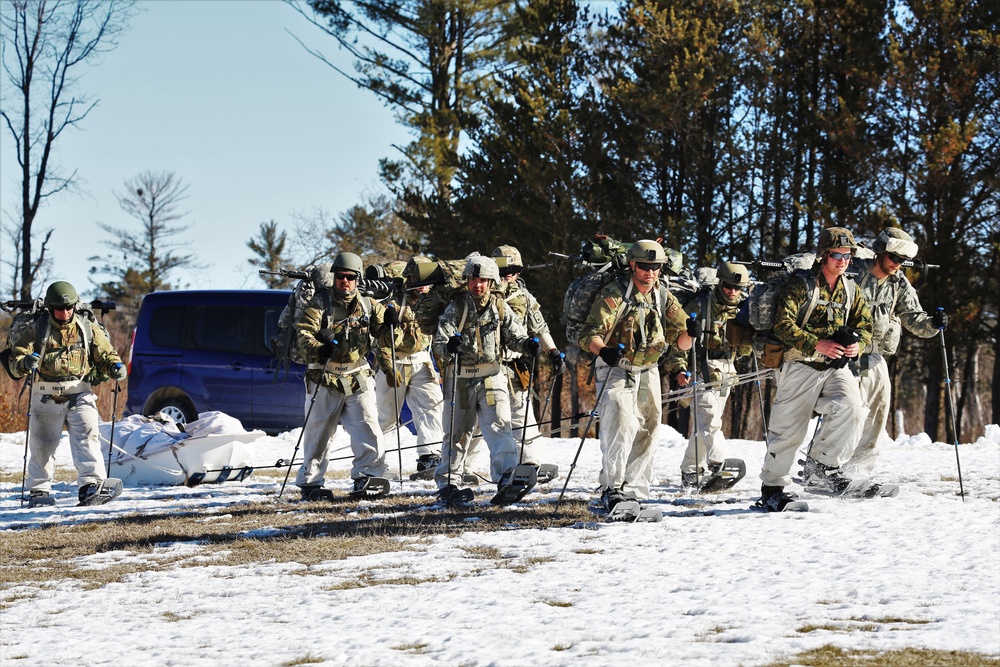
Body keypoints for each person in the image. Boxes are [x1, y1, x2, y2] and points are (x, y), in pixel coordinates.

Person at [759, 227, 874, 511]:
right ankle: (772, 488)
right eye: (836, 254)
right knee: (789, 429)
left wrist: (857, 346)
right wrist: (816, 344)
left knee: (852, 408)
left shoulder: (851, 289)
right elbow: (782, 325)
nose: (842, 261)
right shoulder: (801, 285)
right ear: (823, 255)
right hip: (800, 364)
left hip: (835, 367)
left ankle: (822, 467)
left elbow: (866, 325)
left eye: (847, 256)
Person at [579, 239, 693, 511]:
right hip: (616, 367)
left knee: (649, 427)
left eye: (655, 267)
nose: (649, 272)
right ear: (632, 264)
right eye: (643, 266)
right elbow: (588, 335)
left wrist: (693, 332)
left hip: (648, 370)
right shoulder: (615, 293)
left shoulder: (663, 295)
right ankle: (612, 488)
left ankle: (634, 489)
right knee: (620, 421)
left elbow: (681, 341)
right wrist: (604, 351)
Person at [9, 280, 127, 507]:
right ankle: (39, 491)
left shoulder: (86, 327)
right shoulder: (37, 329)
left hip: (80, 392)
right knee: (43, 444)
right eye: (59, 308)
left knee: (88, 439)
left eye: (68, 307)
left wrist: (114, 366)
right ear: (50, 308)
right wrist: (25, 362)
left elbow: (106, 354)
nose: (64, 312)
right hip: (45, 395)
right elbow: (15, 361)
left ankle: (91, 486)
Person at [432, 254, 540, 503]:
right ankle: (448, 484)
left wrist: (528, 345)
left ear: (491, 282)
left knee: (500, 427)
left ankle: (507, 477)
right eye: (473, 279)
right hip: (459, 378)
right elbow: (439, 342)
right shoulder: (456, 307)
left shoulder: (501, 307)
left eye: (482, 280)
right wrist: (450, 346)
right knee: (457, 433)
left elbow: (516, 336)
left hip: (492, 376)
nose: (477, 285)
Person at [294, 252, 399, 500]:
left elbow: (385, 339)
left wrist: (390, 324)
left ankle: (368, 476)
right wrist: (320, 349)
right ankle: (311, 483)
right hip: (324, 376)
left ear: (358, 279)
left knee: (368, 428)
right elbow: (303, 335)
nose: (345, 281)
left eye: (350, 277)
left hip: (357, 375)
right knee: (318, 433)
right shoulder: (319, 304)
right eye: (340, 276)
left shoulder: (368, 305)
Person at [846, 227, 943, 476]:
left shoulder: (898, 282)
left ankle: (858, 470)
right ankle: (826, 464)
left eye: (903, 261)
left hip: (874, 355)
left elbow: (913, 316)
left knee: (879, 410)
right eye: (894, 258)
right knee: (849, 410)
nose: (898, 265)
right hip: (846, 353)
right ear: (881, 252)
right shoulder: (853, 273)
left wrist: (933, 324)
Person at [667, 262, 754, 488]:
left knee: (705, 426)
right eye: (728, 286)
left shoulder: (743, 310)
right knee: (710, 420)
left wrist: (750, 334)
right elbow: (679, 342)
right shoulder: (701, 305)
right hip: (698, 369)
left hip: (725, 372)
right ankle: (719, 464)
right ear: (720, 283)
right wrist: (678, 370)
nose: (732, 292)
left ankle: (690, 471)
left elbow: (745, 350)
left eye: (738, 288)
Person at [490, 245, 564, 473]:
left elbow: (540, 326)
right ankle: (466, 469)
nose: (509, 273)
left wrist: (553, 352)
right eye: (505, 268)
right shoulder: (484, 293)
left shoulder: (523, 296)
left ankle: (529, 464)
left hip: (515, 365)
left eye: (514, 268)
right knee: (488, 421)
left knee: (522, 415)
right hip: (489, 367)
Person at [373, 258, 444, 478]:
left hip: (421, 361)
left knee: (431, 408)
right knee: (385, 415)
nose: (424, 285)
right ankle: (375, 463)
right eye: (419, 280)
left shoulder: (433, 300)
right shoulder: (392, 300)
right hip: (393, 360)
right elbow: (380, 338)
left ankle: (430, 457)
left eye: (428, 280)